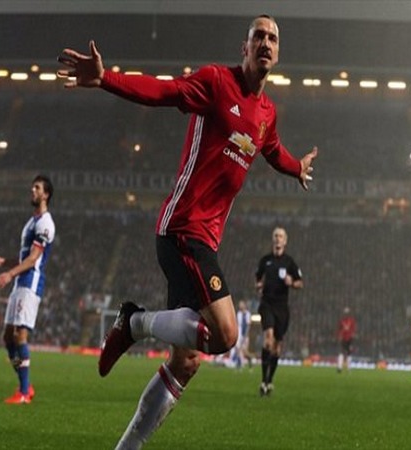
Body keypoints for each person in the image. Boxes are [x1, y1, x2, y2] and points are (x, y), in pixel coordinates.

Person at [57, 14, 317, 448]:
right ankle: (134, 322)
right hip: (183, 228)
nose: (266, 43)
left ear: (278, 52)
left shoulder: (267, 113)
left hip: (204, 240)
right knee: (227, 334)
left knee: (187, 361)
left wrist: (296, 168)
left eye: (273, 38)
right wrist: (106, 79)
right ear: (245, 47)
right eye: (258, 36)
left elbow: (272, 149)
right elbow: (164, 91)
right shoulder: (216, 82)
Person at [0, 175, 55, 404]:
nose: (32, 190)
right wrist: (3, 262)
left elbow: (33, 260)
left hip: (30, 284)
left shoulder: (45, 224)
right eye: (32, 187)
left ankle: (23, 393)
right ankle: (25, 385)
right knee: (7, 338)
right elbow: (24, 257)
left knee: (20, 335)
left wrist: (9, 274)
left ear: (46, 195)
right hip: (19, 283)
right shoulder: (32, 222)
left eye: (37, 188)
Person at [255, 227, 303, 396]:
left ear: (285, 241)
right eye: (275, 235)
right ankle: (263, 381)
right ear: (273, 239)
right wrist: (259, 285)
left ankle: (269, 381)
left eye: (281, 236)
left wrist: (292, 282)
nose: (278, 238)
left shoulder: (289, 262)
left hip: (282, 308)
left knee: (277, 347)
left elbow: (300, 283)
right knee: (268, 339)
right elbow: (257, 279)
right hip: (267, 304)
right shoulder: (265, 260)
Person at [231, 300, 253, 370]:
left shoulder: (248, 314)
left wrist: (246, 335)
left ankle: (250, 359)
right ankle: (239, 364)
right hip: (240, 334)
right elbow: (238, 324)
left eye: (242, 304)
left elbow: (248, 325)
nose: (240, 306)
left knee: (245, 351)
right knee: (238, 348)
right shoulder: (239, 314)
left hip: (245, 335)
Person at [337, 306, 356, 373]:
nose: (346, 314)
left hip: (349, 338)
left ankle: (348, 368)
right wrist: (339, 336)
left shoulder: (351, 321)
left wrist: (352, 335)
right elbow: (339, 329)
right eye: (345, 313)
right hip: (343, 338)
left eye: (347, 313)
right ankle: (340, 367)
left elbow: (353, 329)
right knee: (342, 352)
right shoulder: (342, 321)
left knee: (348, 353)